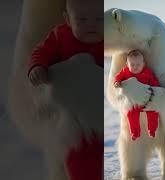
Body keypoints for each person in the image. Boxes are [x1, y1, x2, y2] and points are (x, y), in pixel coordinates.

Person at [27, 0, 103, 179]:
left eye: (99, 19)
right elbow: (40, 52)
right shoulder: (60, 36)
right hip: (73, 117)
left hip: (100, 112)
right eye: (82, 20)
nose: (91, 25)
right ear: (68, 19)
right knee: (77, 152)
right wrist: (37, 67)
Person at [114, 49, 160, 140]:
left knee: (153, 112)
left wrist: (156, 90)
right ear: (127, 65)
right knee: (131, 115)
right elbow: (117, 77)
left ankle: (152, 130)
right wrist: (117, 82)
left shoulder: (147, 72)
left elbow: (155, 82)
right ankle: (135, 132)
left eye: (138, 65)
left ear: (143, 64)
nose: (135, 67)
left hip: (146, 100)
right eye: (132, 65)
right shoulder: (125, 71)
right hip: (133, 102)